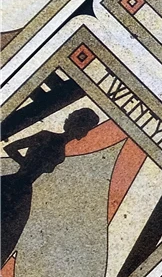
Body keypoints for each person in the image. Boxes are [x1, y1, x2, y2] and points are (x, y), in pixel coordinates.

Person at [1, 108, 99, 265]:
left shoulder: (62, 154)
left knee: (8, 235)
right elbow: (10, 147)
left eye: (87, 128)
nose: (84, 132)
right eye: (84, 126)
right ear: (74, 122)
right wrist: (24, 164)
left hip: (23, 192)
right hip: (13, 185)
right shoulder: (46, 136)